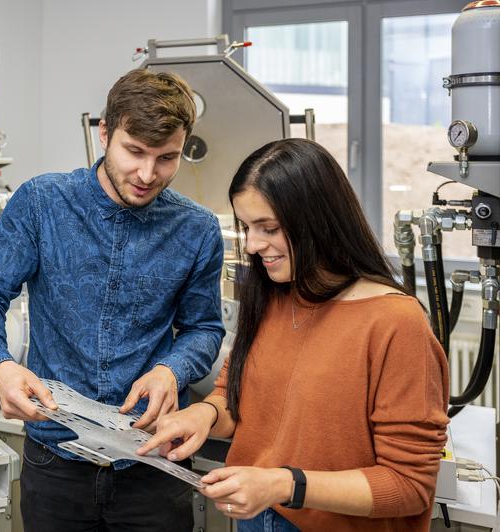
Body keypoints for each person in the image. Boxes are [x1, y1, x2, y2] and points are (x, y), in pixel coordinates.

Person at [0, 68, 225, 531]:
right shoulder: (42, 203)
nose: (147, 174)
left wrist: (171, 369)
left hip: (152, 466)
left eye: (166, 158)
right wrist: (0, 366)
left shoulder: (197, 229)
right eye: (134, 152)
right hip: (55, 461)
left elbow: (204, 328)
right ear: (105, 133)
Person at [138, 138, 449, 531]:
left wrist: (283, 484)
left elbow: (408, 486)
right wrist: (204, 414)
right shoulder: (275, 294)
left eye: (268, 228)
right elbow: (235, 395)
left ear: (318, 221)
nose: (253, 245)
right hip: (258, 518)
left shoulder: (396, 323)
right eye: (246, 227)